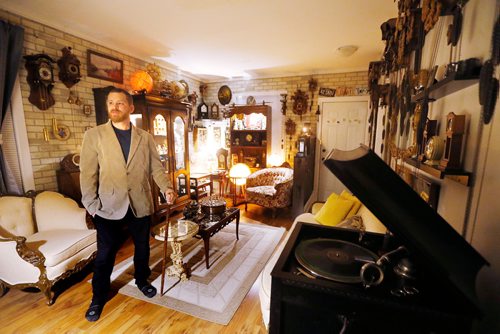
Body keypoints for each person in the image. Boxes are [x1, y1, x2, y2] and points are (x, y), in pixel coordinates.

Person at [79, 87, 176, 322]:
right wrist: (91, 205)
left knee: (142, 248)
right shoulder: (94, 136)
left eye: (120, 103)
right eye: (111, 103)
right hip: (107, 205)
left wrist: (167, 188)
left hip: (140, 202)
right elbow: (87, 173)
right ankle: (99, 297)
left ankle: (142, 280)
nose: (114, 107)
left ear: (130, 108)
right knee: (105, 254)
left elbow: (155, 168)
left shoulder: (146, 138)